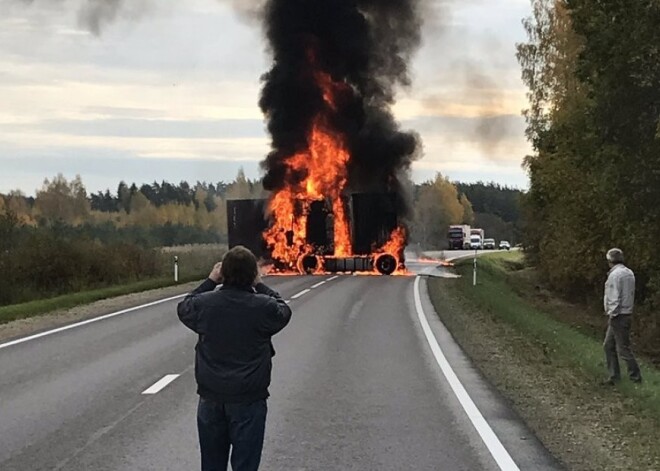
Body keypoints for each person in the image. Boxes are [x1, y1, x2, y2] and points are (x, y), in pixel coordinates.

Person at [177, 246, 292, 471]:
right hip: (249, 398)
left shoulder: (204, 304)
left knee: (211, 464)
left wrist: (210, 280)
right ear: (252, 274)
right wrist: (258, 283)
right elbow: (283, 310)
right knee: (245, 465)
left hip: (211, 398)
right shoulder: (263, 307)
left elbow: (185, 306)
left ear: (223, 274)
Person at [602, 248, 642, 385]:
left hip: (618, 315)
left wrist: (611, 313)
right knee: (608, 346)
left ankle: (635, 377)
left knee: (623, 348)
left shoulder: (615, 275)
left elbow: (614, 296)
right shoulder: (628, 273)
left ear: (610, 261)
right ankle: (614, 376)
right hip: (626, 313)